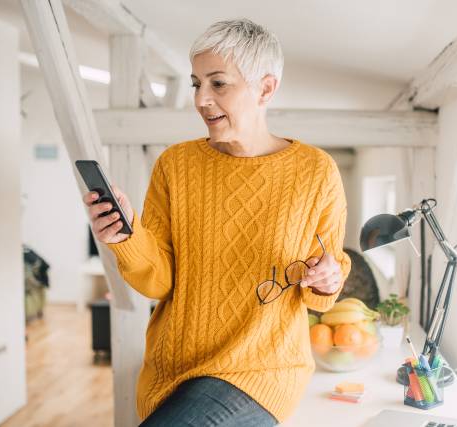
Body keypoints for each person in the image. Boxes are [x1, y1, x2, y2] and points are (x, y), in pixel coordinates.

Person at [83, 18, 351, 426]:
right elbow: (161, 282)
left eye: (218, 83)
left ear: (265, 88)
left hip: (260, 370)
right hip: (172, 369)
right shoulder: (175, 164)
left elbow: (321, 294)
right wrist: (127, 237)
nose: (201, 99)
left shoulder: (316, 171)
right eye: (196, 83)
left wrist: (327, 278)